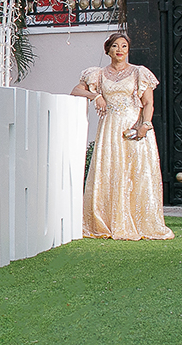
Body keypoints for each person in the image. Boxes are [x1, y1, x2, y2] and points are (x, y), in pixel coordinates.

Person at [70, 33, 174, 240]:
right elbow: (76, 91)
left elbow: (148, 103)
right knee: (110, 171)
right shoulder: (97, 74)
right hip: (109, 130)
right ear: (108, 50)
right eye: (115, 46)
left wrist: (145, 125)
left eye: (124, 46)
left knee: (136, 172)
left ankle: (139, 221)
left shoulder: (139, 73)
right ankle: (109, 221)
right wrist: (96, 96)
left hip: (133, 128)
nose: (120, 50)